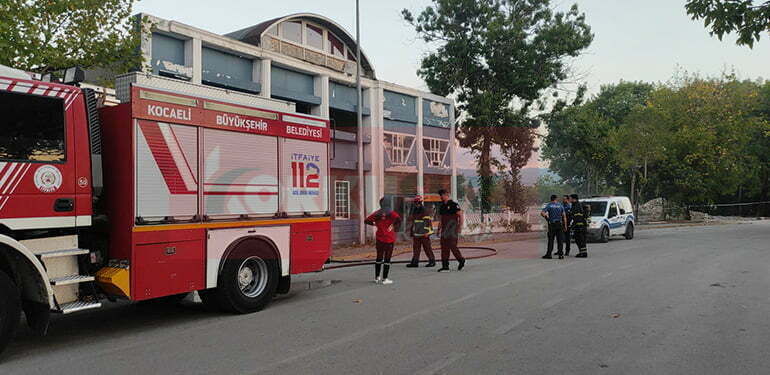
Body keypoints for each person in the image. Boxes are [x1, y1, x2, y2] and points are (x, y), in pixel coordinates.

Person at [364, 198, 402, 284]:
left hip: (379, 238)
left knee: (379, 257)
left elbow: (366, 221)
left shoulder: (377, 213)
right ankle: (385, 279)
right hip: (389, 238)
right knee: (387, 259)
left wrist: (375, 224)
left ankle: (377, 277)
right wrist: (392, 226)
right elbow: (399, 219)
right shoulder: (391, 213)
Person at [436, 189, 465, 272]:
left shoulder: (454, 205)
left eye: (442, 195)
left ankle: (461, 259)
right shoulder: (442, 206)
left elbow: (461, 215)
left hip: (452, 229)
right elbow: (441, 219)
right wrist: (438, 229)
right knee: (444, 247)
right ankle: (445, 266)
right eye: (440, 195)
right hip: (444, 230)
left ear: (446, 194)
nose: (441, 197)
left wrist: (460, 227)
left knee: (452, 245)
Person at [406, 195, 437, 268]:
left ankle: (432, 261)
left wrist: (426, 232)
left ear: (420, 202)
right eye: (415, 202)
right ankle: (415, 262)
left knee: (427, 248)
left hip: (424, 233)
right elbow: (413, 221)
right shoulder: (414, 210)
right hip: (417, 232)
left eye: (417, 202)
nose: (416, 204)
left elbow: (427, 221)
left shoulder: (424, 210)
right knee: (416, 248)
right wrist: (412, 231)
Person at [540, 194, 567, 259]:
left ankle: (549, 254)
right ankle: (561, 254)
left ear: (551, 199)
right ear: (556, 199)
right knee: (560, 240)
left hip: (552, 224)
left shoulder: (549, 205)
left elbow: (542, 213)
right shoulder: (560, 205)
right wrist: (565, 225)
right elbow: (564, 216)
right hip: (559, 224)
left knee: (551, 239)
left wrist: (546, 217)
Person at [570, 194, 589, 258]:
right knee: (579, 240)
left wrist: (576, 225)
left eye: (571, 199)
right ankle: (582, 252)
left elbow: (578, 217)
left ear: (574, 199)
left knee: (580, 240)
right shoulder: (576, 205)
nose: (570, 200)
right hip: (580, 226)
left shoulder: (577, 206)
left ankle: (583, 253)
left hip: (580, 226)